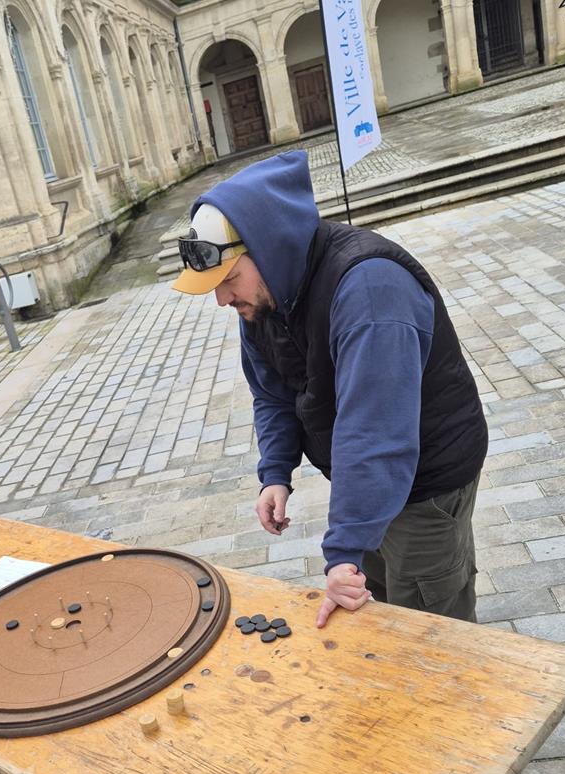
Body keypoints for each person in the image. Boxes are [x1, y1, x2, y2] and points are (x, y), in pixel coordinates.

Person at [173, 151, 488, 628]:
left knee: (429, 627)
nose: (221, 298)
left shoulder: (371, 290)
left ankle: (461, 698)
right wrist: (276, 471)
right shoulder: (264, 298)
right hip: (367, 478)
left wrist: (341, 552)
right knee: (376, 599)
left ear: (269, 248)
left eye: (229, 280)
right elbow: (272, 392)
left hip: (428, 481)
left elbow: (375, 432)